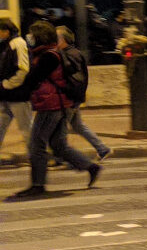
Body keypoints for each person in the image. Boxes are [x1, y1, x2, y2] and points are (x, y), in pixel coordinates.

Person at [8, 21, 101, 198]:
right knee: (58, 145)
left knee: (37, 144)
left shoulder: (48, 57)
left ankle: (37, 184)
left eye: (32, 35)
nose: (29, 38)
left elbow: (31, 81)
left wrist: (9, 92)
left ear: (39, 37)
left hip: (51, 106)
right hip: (60, 105)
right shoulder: (51, 53)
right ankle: (91, 166)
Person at [54, 26, 111, 162]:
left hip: (70, 98)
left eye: (56, 37)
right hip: (74, 97)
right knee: (78, 126)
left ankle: (63, 158)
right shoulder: (71, 53)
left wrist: (67, 93)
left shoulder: (70, 55)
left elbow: (76, 79)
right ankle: (102, 149)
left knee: (60, 129)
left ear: (63, 39)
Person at [0, 18, 33, 163]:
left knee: (26, 130)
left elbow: (23, 69)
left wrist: (7, 84)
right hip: (7, 94)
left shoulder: (18, 44)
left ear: (6, 31)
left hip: (18, 94)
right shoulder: (6, 44)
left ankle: (37, 157)